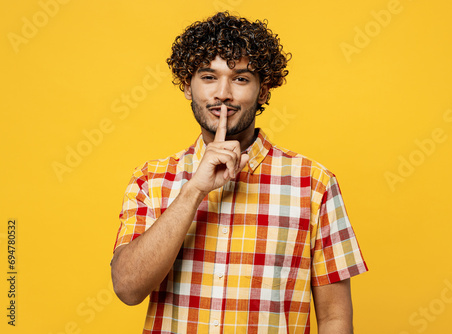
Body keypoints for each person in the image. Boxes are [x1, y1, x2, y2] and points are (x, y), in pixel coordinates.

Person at [111, 11, 367, 334]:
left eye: (241, 78)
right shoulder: (150, 179)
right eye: (208, 77)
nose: (223, 94)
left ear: (263, 91)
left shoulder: (314, 184)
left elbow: (334, 318)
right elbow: (127, 287)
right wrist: (194, 190)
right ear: (188, 86)